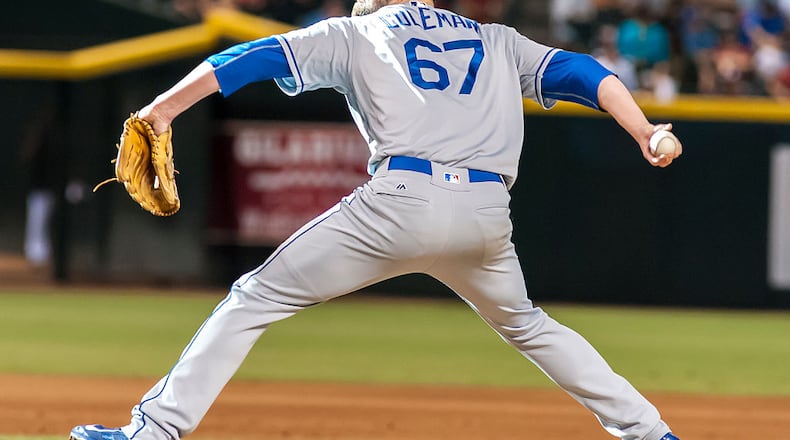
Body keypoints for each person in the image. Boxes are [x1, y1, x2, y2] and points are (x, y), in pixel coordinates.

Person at [69, 1, 682, 439]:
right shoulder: (496, 39)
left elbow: (251, 57)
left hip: (402, 200)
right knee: (527, 325)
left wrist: (161, 109)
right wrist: (646, 131)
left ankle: (152, 433)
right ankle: (650, 433)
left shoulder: (360, 31)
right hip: (486, 216)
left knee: (254, 297)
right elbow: (585, 74)